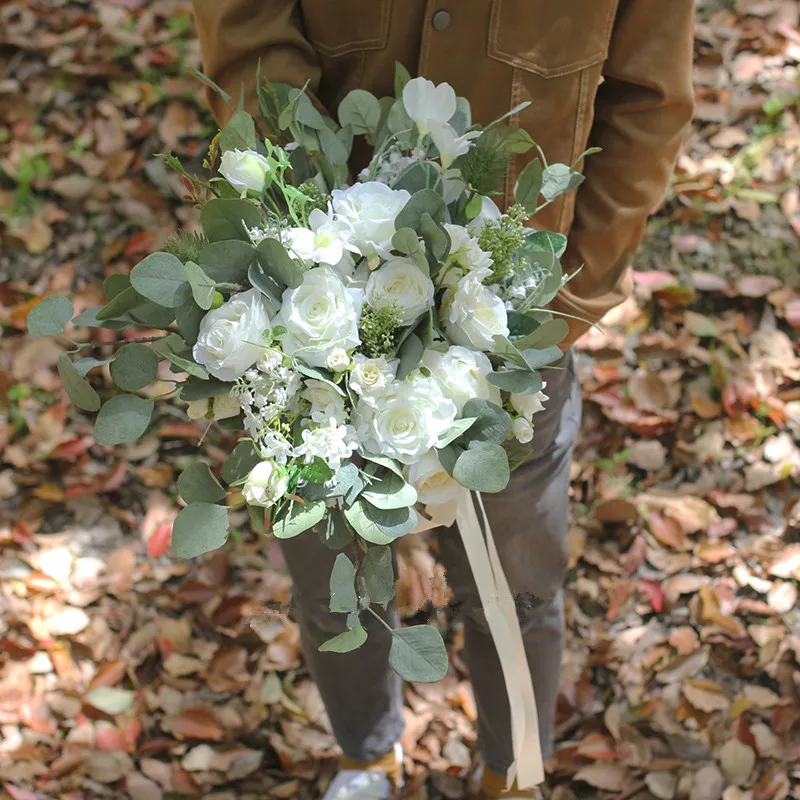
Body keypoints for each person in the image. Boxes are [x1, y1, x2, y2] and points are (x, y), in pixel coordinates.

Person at [190, 2, 695, 798]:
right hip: (313, 301)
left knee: (516, 582)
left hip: (515, 316)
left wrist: (557, 309)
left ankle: (515, 772)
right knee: (332, 572)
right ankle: (366, 759)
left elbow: (650, 103)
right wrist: (312, 256)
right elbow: (247, 34)